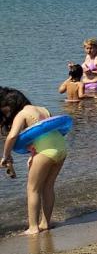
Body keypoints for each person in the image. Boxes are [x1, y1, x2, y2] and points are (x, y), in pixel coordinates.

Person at [1, 88, 68, 235]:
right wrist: (33, 155)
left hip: (45, 152)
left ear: (11, 105)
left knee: (33, 189)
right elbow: (45, 131)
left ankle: (33, 227)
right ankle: (45, 223)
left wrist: (5, 156)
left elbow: (12, 137)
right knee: (48, 187)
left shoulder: (22, 114)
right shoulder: (43, 109)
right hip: (61, 148)